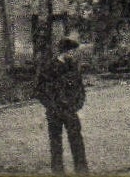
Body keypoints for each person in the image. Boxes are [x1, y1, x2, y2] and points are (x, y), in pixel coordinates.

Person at [33, 37, 89, 175]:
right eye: (73, 51)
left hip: (70, 110)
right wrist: (51, 106)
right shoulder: (48, 67)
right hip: (54, 111)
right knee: (56, 143)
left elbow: (80, 88)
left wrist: (78, 104)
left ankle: (82, 171)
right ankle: (58, 172)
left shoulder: (73, 66)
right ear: (65, 52)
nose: (74, 54)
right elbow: (39, 90)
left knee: (77, 141)